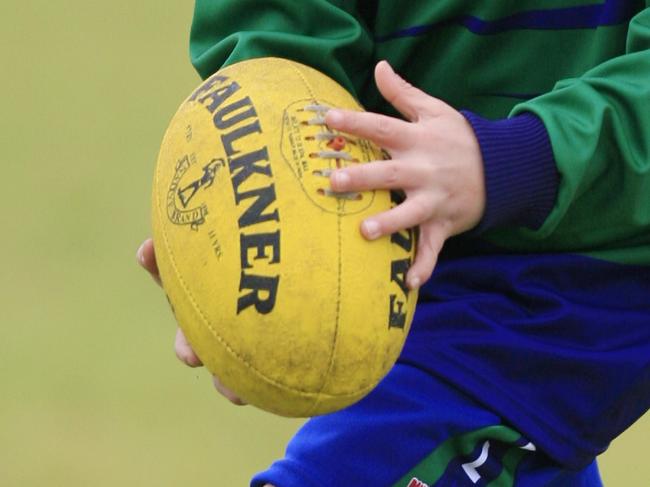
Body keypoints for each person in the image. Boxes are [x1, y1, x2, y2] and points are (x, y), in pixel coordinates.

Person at [138, 1, 650, 485]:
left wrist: (512, 160)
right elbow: (282, 23)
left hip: (588, 272)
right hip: (395, 253)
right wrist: (270, 212)